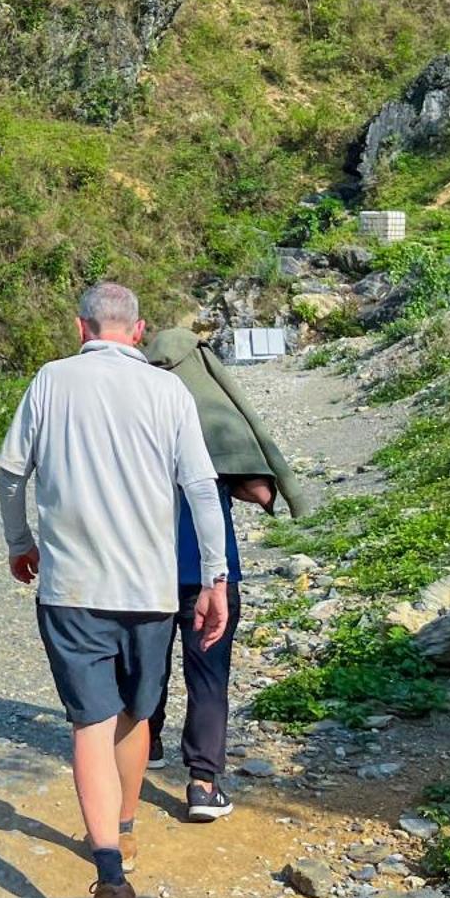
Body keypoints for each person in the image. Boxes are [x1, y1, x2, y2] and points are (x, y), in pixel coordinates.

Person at [0, 281, 228, 898]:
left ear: (81, 328)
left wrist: (20, 544)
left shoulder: (51, 381)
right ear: (140, 329)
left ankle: (109, 873)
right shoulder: (167, 391)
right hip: (150, 592)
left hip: (70, 587)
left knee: (90, 721)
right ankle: (120, 836)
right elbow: (200, 488)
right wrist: (214, 576)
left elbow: (12, 475)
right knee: (134, 713)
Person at [143, 326, 309, 822]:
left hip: (144, 569)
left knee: (148, 665)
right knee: (208, 677)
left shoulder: (138, 403)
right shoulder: (211, 414)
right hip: (210, 572)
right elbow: (261, 492)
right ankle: (202, 783)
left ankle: (145, 745)